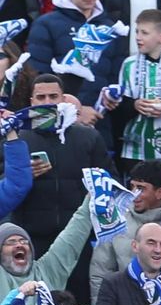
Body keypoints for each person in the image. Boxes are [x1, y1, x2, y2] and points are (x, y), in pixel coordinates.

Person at [13, 76, 111, 251]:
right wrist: (22, 175)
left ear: (64, 99)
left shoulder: (88, 137)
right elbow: (3, 183)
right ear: (32, 101)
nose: (48, 102)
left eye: (53, 96)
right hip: (33, 237)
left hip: (78, 236)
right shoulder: (17, 139)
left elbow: (110, 180)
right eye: (41, 97)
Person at [25, 0, 123, 102]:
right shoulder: (46, 24)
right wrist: (76, 107)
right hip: (62, 113)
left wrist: (111, 98)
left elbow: (116, 74)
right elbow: (39, 76)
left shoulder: (110, 26)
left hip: (100, 114)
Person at [108, 11, 161, 172]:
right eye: (137, 31)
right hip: (134, 150)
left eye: (144, 33)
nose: (138, 37)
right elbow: (118, 108)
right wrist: (135, 105)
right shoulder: (129, 64)